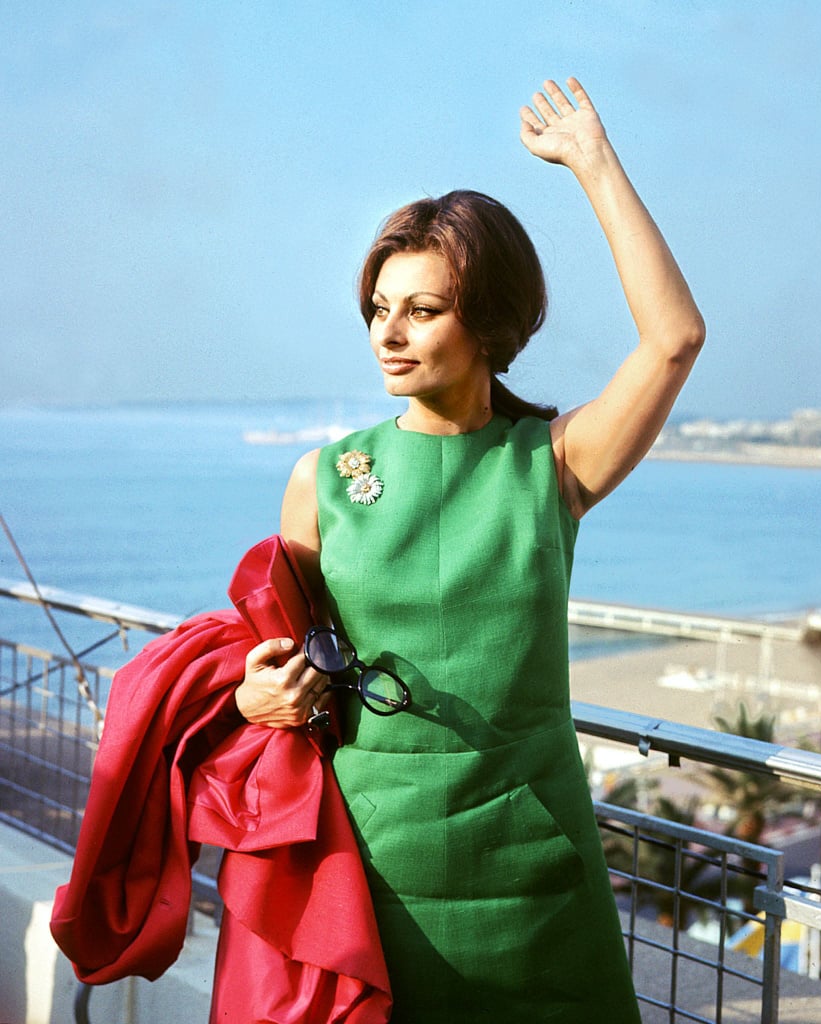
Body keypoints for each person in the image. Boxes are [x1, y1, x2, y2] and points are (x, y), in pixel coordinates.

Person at [235, 77, 704, 1023]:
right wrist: (258, 694)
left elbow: (673, 339)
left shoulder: (554, 464)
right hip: (373, 873)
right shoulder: (322, 478)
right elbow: (279, 660)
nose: (389, 334)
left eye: (422, 309)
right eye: (378, 307)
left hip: (539, 878)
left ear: (487, 320)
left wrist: (593, 164)